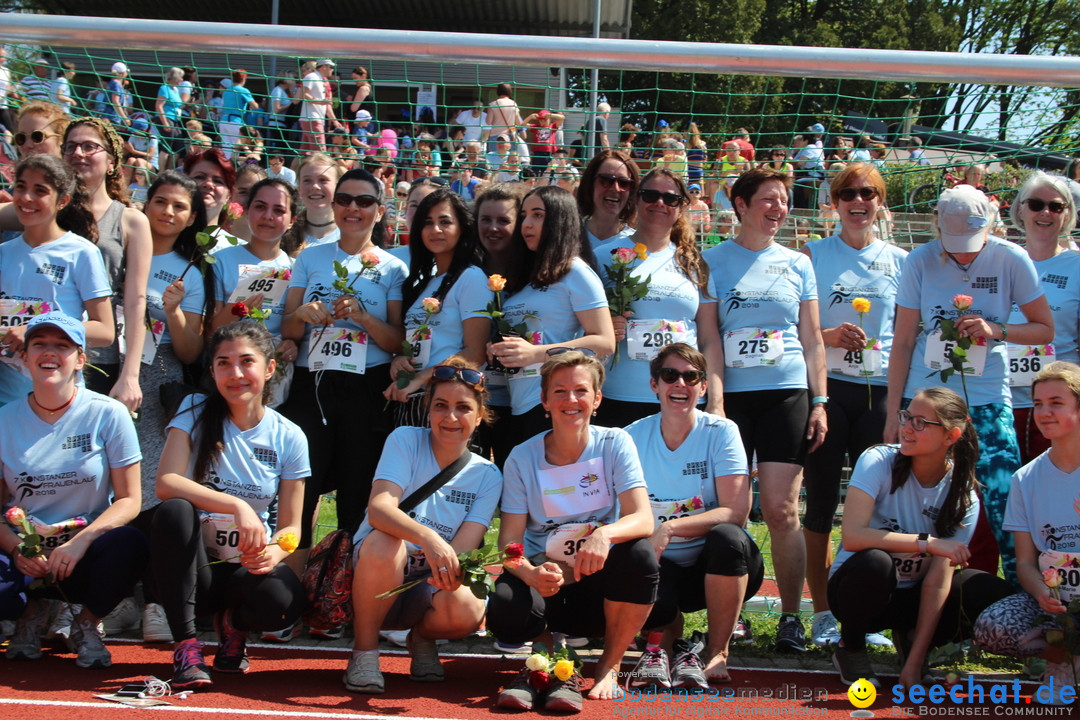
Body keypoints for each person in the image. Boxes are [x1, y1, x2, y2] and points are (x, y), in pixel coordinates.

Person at [885, 184, 1053, 585]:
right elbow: (904, 339)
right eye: (954, 242)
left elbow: (1043, 327)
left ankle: (1021, 597)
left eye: (972, 242)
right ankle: (918, 605)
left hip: (988, 399)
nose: (963, 252)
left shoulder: (1012, 258)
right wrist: (895, 411)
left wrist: (996, 328)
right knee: (922, 504)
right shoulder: (920, 261)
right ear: (937, 227)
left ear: (991, 225)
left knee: (1003, 498)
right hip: (928, 400)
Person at [702, 167, 828, 652]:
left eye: (784, 201)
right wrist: (715, 401)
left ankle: (791, 619)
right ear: (740, 204)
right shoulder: (712, 261)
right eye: (769, 200)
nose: (778, 209)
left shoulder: (798, 263)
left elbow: (813, 339)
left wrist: (819, 400)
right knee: (731, 511)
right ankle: (727, 617)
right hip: (734, 397)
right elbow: (709, 338)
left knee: (780, 509)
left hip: (787, 394)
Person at [489, 351, 658, 706]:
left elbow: (643, 518)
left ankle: (608, 667)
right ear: (544, 400)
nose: (571, 400)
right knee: (505, 600)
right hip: (545, 580)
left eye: (581, 391)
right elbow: (509, 545)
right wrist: (533, 574)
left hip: (595, 580)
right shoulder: (522, 457)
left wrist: (603, 535)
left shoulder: (615, 442)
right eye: (560, 391)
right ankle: (544, 659)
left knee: (641, 554)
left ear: (596, 399)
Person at [152, 322, 308, 689]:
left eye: (246, 362)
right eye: (223, 363)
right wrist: (238, 506)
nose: (235, 374)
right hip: (193, 568)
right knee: (173, 511)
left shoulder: (290, 436)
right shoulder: (193, 409)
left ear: (269, 369)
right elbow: (166, 483)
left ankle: (234, 626)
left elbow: (291, 528)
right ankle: (187, 646)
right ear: (212, 371)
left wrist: (275, 551)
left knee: (283, 602)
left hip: (244, 570)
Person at [828, 388, 1012, 689]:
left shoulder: (963, 492)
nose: (907, 428)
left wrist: (915, 663)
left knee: (990, 592)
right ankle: (851, 647)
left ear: (950, 436)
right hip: (863, 590)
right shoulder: (877, 460)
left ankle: (913, 643)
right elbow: (853, 537)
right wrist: (927, 542)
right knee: (875, 561)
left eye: (920, 423)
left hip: (915, 596)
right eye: (906, 417)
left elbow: (938, 582)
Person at [346, 357, 502, 693]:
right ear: (428, 410)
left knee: (468, 605)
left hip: (429, 581)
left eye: (463, 408)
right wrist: (428, 538)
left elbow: (465, 544)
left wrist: (445, 567)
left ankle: (421, 639)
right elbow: (379, 509)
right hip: (378, 570)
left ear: (478, 416)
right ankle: (364, 652)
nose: (450, 417)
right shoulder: (404, 439)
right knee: (386, 541)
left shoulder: (488, 474)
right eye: (440, 406)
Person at [800, 164, 908, 647]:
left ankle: (863, 615)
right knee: (821, 503)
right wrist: (828, 335)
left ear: (881, 201)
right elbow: (799, 329)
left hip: (881, 393)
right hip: (828, 392)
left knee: (877, 509)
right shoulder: (813, 255)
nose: (858, 201)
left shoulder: (902, 260)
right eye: (848, 193)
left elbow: (909, 333)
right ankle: (822, 612)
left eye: (868, 193)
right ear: (834, 201)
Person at [0, 312, 146, 668]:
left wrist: (80, 542)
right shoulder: (4, 419)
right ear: (25, 356)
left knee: (130, 544)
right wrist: (18, 549)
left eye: (62, 346)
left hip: (83, 550)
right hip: (26, 553)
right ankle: (30, 612)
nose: (49, 353)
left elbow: (130, 500)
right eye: (39, 344)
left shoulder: (109, 414)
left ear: (80, 359)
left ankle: (86, 622)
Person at [281, 167, 407, 561]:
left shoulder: (392, 267)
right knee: (304, 483)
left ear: (380, 211)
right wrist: (303, 313)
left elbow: (399, 340)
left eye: (365, 201)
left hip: (366, 385)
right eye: (345, 200)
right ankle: (294, 586)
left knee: (356, 488)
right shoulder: (310, 258)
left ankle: (342, 589)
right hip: (312, 382)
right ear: (333, 205)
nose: (353, 208)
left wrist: (364, 318)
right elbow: (287, 327)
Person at [625, 343, 763, 687]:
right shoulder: (630, 437)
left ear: (703, 386)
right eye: (670, 375)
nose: (681, 384)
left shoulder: (722, 431)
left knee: (728, 537)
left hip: (716, 563)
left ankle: (717, 651)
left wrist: (670, 527)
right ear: (654, 384)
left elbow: (736, 511)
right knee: (634, 557)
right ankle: (672, 640)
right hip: (660, 565)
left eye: (691, 377)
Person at [974, 362, 1080, 700]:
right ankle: (1061, 659)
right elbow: (1023, 563)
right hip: (1057, 606)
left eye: (1056, 403)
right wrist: (1040, 595)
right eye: (1037, 404)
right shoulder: (1024, 479)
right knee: (993, 626)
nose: (1044, 413)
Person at [489, 186, 615, 445]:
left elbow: (605, 342)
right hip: (517, 406)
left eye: (538, 215)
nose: (527, 223)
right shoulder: (522, 277)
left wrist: (537, 353)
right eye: (524, 215)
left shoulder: (576, 272)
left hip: (552, 405)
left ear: (560, 220)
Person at [596, 169, 718, 427]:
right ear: (637, 200)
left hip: (679, 397)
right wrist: (606, 325)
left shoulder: (694, 264)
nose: (660, 203)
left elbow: (709, 338)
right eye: (651, 195)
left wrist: (716, 402)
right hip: (618, 395)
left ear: (682, 206)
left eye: (670, 198)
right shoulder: (602, 256)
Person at [0, 155, 115, 406]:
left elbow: (105, 330)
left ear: (62, 200)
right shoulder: (4, 252)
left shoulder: (81, 252)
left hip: (60, 397)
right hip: (6, 401)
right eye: (20, 186)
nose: (26, 197)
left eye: (40, 190)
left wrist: (35, 329)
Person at [61, 118, 152, 416]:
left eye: (90, 146)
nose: (79, 153)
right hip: (47, 349)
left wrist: (130, 374)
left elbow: (136, 301)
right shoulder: (47, 211)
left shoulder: (130, 220)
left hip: (100, 357)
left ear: (112, 162)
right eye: (71, 146)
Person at [384, 189, 489, 426]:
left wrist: (423, 377)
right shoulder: (424, 283)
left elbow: (475, 352)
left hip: (449, 404)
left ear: (462, 227)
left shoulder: (471, 278)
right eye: (428, 223)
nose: (435, 230)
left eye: (445, 222)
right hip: (411, 398)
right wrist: (400, 359)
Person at [1005, 172, 1080, 465]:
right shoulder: (1001, 262)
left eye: (1056, 206)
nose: (1045, 212)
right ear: (1020, 210)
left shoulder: (1076, 267)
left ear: (1067, 215)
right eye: (1036, 204)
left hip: (1059, 404)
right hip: (1004, 399)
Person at [210, 178, 300, 385]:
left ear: (292, 220)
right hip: (230, 374)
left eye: (278, 210)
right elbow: (208, 332)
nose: (268, 216)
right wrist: (237, 309)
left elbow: (294, 331)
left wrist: (292, 345)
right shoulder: (221, 260)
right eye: (260, 207)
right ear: (247, 211)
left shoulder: (296, 269)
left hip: (276, 377)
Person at [577, 149, 639, 249]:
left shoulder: (636, 244)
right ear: (590, 184)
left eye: (624, 183)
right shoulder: (569, 237)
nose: (615, 189)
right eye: (605, 180)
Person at [285, 152, 342, 250]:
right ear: (299, 188)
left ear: (338, 187)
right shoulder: (284, 235)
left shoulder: (353, 234)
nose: (315, 186)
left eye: (323, 180)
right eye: (307, 181)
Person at [183, 148, 236, 249]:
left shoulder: (236, 250)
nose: (208, 184)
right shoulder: (164, 242)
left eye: (218, 181)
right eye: (200, 177)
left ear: (228, 195)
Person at [300, 59, 340, 155]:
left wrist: (335, 121)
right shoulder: (311, 77)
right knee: (320, 152)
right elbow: (304, 95)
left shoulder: (323, 80)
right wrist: (320, 101)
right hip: (312, 118)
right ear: (323, 67)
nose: (332, 70)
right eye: (331, 67)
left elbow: (326, 104)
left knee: (304, 152)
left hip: (315, 118)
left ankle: (297, 168)